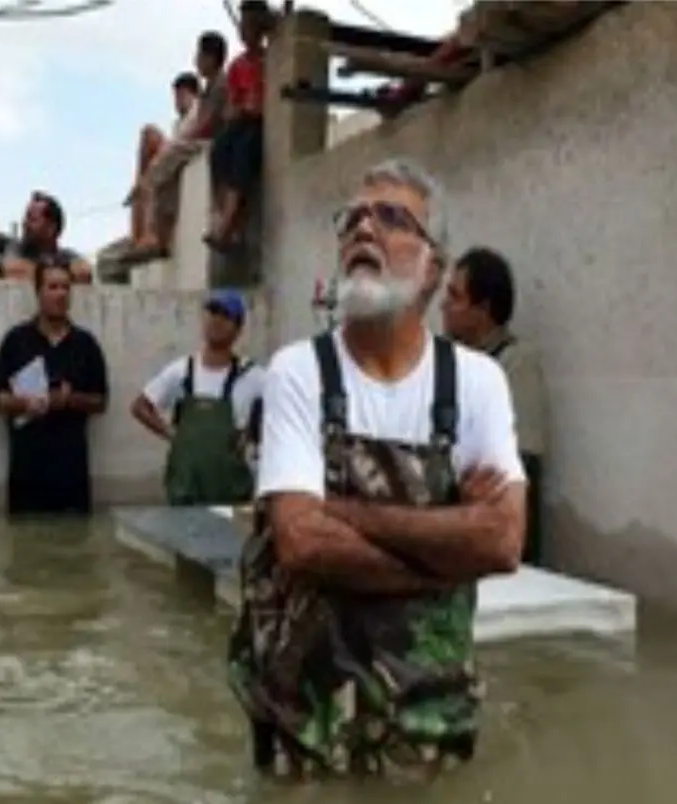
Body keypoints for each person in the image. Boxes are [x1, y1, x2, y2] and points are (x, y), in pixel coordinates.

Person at [227, 159, 527, 780]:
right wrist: (444, 553)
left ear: (433, 267)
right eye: (353, 218)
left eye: (392, 218)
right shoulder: (297, 371)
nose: (364, 228)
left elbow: (501, 541)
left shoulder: (477, 383)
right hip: (301, 710)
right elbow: (301, 542)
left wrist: (339, 509)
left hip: (428, 712)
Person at [442, 246, 549, 564]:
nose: (443, 305)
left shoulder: (516, 366)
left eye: (455, 296)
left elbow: (519, 465)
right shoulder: (449, 363)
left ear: (483, 308)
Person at [0, 261, 109, 515]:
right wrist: (28, 403)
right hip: (26, 476)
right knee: (24, 550)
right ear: (38, 292)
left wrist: (69, 399)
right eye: (53, 287)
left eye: (66, 287)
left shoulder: (85, 344)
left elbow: (101, 401)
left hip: (71, 477)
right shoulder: (16, 340)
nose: (61, 294)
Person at [130, 289, 265, 505]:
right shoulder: (182, 371)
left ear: (239, 329)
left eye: (226, 316)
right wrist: (172, 434)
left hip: (232, 495)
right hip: (185, 492)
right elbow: (140, 407)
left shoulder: (254, 377)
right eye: (212, 313)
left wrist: (249, 435)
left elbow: (278, 417)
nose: (217, 321)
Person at [204, 0, 273, 253]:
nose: (245, 32)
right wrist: (240, 108)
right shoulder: (237, 66)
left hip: (260, 124)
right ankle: (225, 218)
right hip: (241, 120)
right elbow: (231, 105)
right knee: (219, 150)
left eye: (250, 25)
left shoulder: (272, 60)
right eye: (243, 26)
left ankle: (229, 224)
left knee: (244, 151)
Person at [125, 72, 202, 261]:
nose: (176, 103)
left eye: (179, 96)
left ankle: (149, 234)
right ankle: (140, 234)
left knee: (149, 135)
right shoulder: (178, 123)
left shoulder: (197, 111)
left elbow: (180, 144)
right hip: (172, 160)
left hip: (184, 153)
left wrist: (148, 177)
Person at [1, 191, 93, 283]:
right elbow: (13, 271)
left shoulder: (66, 255)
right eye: (25, 218)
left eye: (32, 219)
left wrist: (39, 274)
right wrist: (61, 274)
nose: (25, 224)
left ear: (51, 228)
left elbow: (84, 272)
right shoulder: (17, 250)